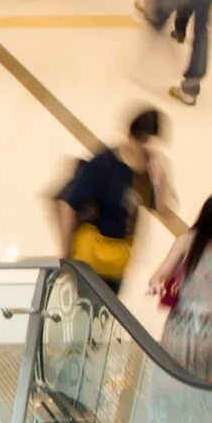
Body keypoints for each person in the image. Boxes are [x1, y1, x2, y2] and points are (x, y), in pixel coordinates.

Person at [54, 107, 171, 293]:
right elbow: (69, 203)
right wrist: (65, 253)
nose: (147, 149)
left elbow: (164, 211)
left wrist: (160, 181)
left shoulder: (150, 170)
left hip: (118, 259)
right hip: (91, 255)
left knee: (107, 306)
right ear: (133, 137)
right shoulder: (104, 165)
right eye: (144, 142)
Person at [147, 193, 212, 382]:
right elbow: (159, 275)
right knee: (176, 383)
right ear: (211, 223)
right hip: (185, 327)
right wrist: (156, 285)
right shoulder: (189, 241)